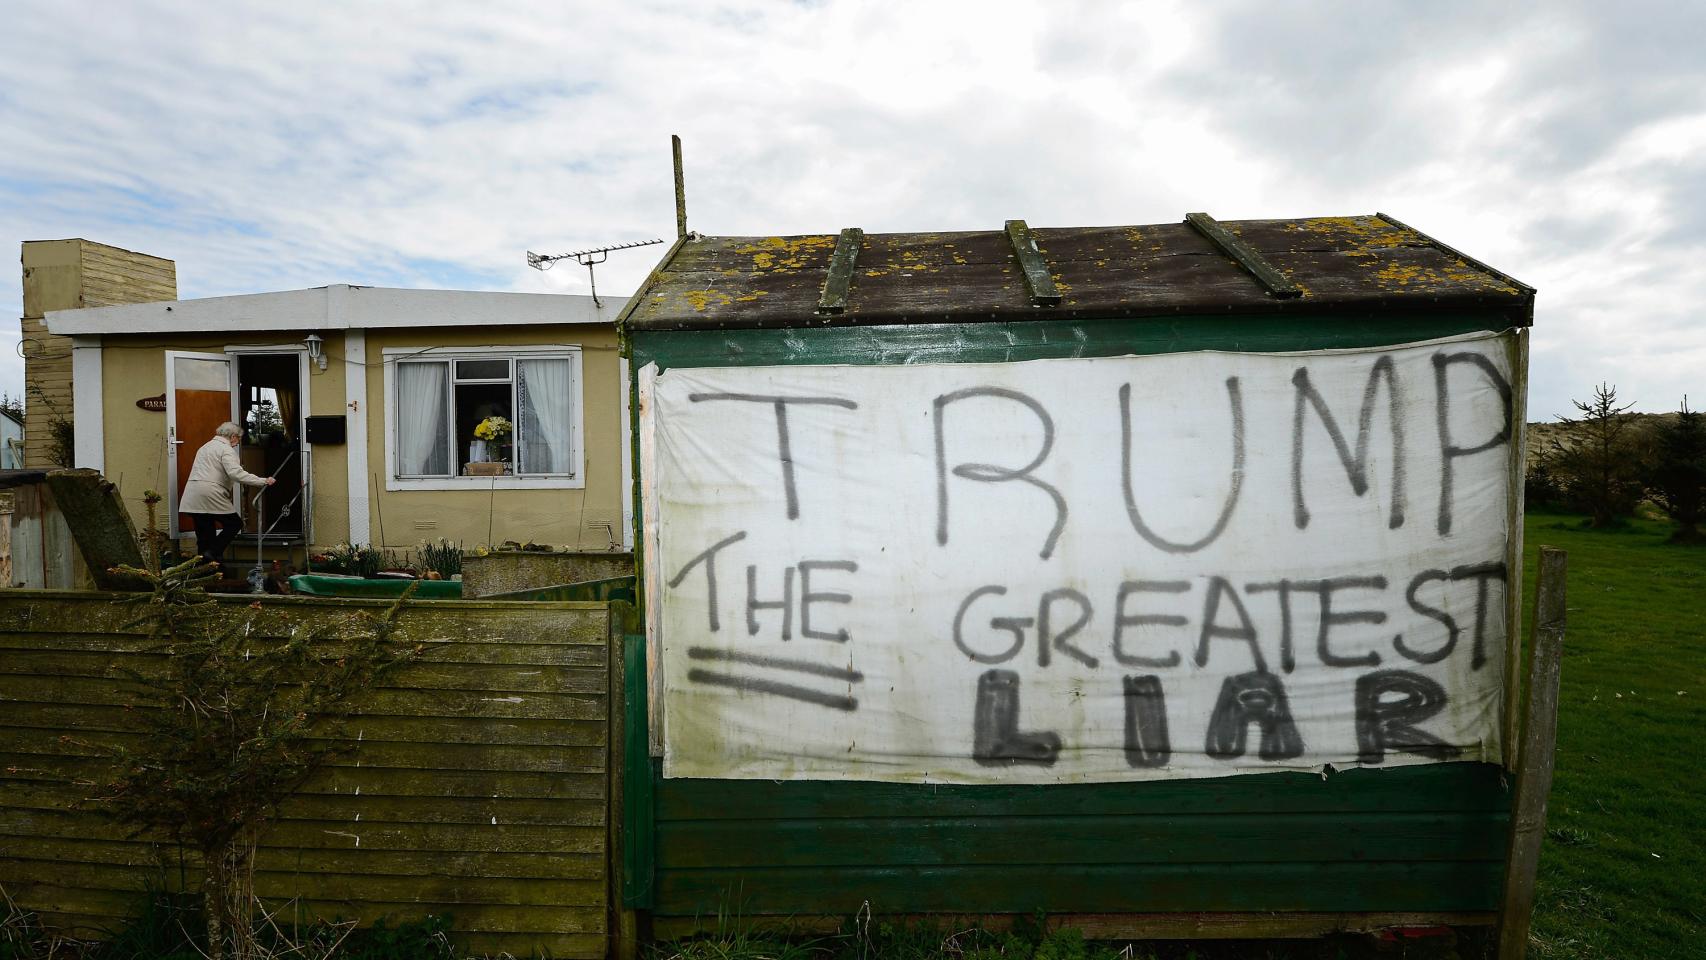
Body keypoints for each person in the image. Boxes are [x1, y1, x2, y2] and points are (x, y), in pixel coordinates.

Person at [180, 421, 274, 566]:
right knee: (234, 524)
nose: (238, 443)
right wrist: (262, 481)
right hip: (211, 492)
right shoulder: (226, 450)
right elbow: (236, 474)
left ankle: (204, 570)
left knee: (204, 536)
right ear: (233, 436)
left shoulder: (205, 447)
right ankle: (213, 553)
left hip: (193, 493)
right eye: (239, 438)